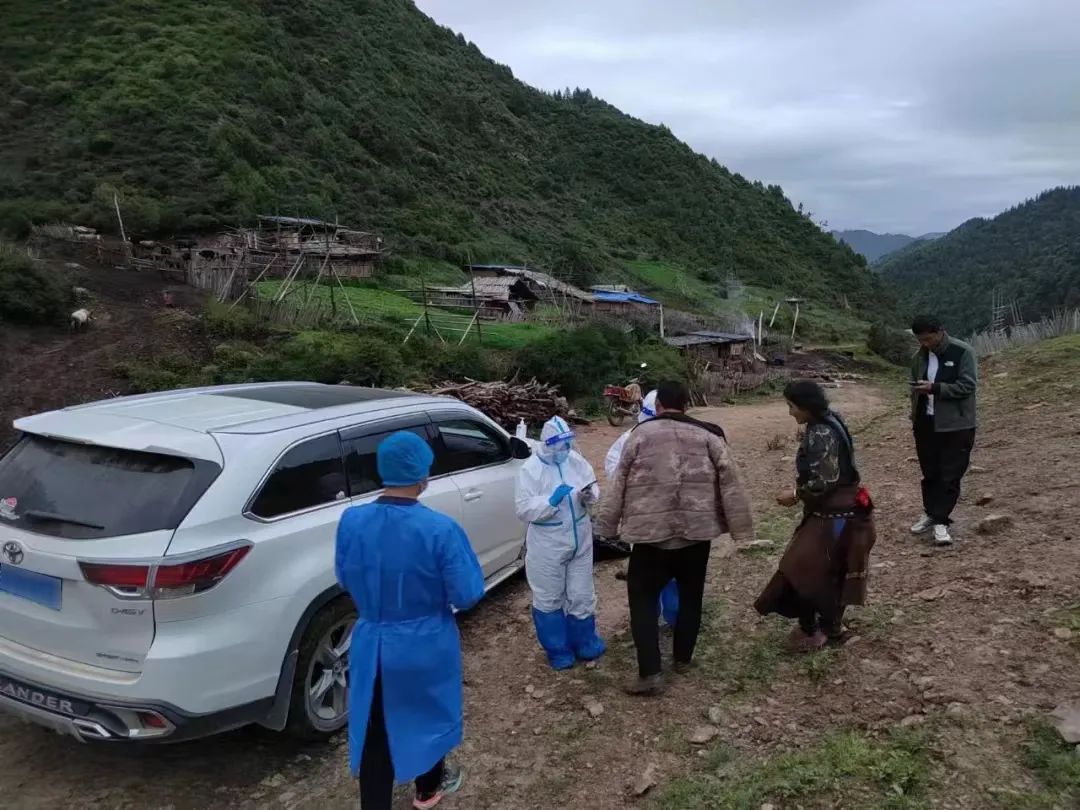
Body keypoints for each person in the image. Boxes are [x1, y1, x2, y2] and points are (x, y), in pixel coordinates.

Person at [336, 431, 485, 810]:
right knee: (428, 715)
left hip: (371, 640)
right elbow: (467, 593)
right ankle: (428, 790)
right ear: (422, 474)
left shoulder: (351, 521)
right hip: (425, 642)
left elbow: (344, 576)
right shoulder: (440, 529)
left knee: (376, 730)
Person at [597, 380, 754, 695]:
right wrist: (742, 531)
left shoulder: (639, 436)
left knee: (642, 600)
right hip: (696, 536)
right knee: (691, 596)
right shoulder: (709, 436)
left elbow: (618, 484)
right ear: (686, 405)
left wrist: (605, 529)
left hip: (650, 537)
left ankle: (650, 674)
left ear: (657, 406)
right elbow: (731, 484)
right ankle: (683, 658)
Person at [754, 381, 877, 651]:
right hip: (841, 511)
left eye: (792, 406)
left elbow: (825, 479)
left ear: (807, 406)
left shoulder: (821, 431)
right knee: (829, 568)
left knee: (809, 568)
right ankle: (825, 625)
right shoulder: (831, 419)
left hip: (836, 515)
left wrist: (795, 494)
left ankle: (820, 628)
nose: (790, 412)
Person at [515, 415, 606, 670]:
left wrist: (589, 495)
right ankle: (558, 649)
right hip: (548, 544)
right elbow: (523, 508)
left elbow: (591, 484)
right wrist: (550, 502)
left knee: (582, 594)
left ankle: (586, 642)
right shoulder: (530, 470)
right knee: (549, 597)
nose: (565, 449)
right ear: (548, 443)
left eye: (567, 444)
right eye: (560, 445)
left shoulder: (575, 460)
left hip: (580, 539)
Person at [604, 389, 679, 627]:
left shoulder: (678, 436)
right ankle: (650, 616)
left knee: (672, 564)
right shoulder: (629, 439)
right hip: (641, 515)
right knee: (648, 567)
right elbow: (613, 468)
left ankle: (674, 613)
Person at [908, 314, 978, 547]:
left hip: (956, 424)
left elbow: (967, 385)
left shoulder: (962, 352)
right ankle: (930, 513)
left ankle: (941, 521)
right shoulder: (919, 357)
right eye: (921, 340)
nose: (925, 344)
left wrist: (935, 388)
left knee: (950, 473)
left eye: (928, 339)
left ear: (940, 332)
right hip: (926, 423)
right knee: (930, 472)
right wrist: (914, 411)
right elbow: (914, 386)